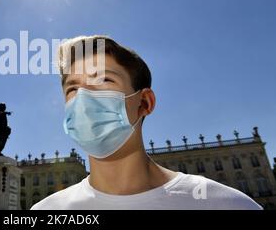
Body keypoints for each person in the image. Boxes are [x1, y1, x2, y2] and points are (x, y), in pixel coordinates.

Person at [31, 35, 261, 210]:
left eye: (102, 80)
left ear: (144, 102)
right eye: (72, 88)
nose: (83, 97)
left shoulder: (227, 204)